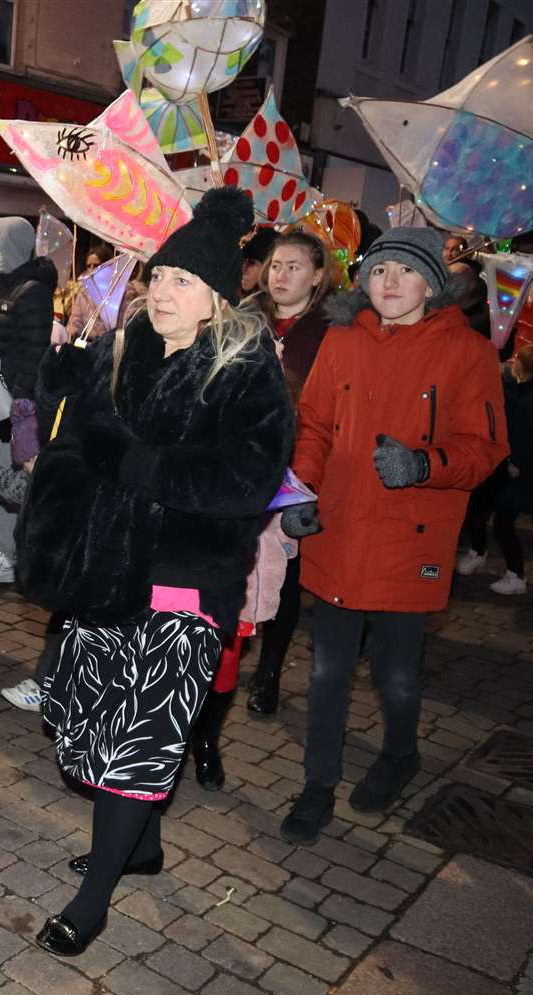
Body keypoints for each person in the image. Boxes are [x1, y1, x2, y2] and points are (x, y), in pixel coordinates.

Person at [16, 187, 292, 956]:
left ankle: (94, 898)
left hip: (185, 581)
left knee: (136, 741)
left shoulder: (246, 371)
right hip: (105, 569)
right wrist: (55, 379)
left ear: (214, 298)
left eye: (183, 282)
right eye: (159, 276)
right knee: (83, 723)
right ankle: (138, 846)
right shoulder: (122, 348)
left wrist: (142, 466)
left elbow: (245, 479)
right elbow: (69, 439)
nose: (162, 291)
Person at [279, 227, 508, 846]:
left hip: (413, 540)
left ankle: (401, 754)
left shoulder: (467, 352)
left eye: (405, 273)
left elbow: (485, 448)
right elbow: (315, 429)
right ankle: (317, 785)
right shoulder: (342, 339)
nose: (388, 284)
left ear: (432, 284)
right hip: (340, 534)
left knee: (396, 675)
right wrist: (296, 495)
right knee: (326, 672)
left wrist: (424, 464)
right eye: (379, 271)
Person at [241, 230, 335, 719]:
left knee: (285, 572)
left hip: (298, 466)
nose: (281, 275)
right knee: (237, 566)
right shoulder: (244, 318)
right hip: (244, 458)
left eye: (294, 266)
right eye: (276, 265)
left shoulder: (331, 330)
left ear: (318, 275)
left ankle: (269, 671)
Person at [0, 216, 57, 587]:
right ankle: (4, 546)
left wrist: (20, 404)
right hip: (1, 399)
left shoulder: (32, 290)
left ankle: (10, 553)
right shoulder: (6, 285)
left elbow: (33, 352)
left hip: (17, 403)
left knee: (10, 478)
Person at [457, 343, 533, 595]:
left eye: (517, 360)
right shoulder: (508, 388)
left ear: (522, 366)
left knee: (504, 524)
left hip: (518, 473)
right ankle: (478, 551)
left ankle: (516, 575)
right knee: (476, 513)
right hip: (496, 465)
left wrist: (518, 462)